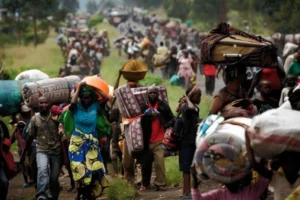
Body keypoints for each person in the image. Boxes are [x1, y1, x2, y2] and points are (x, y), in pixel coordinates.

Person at [68, 82, 109, 200]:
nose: (86, 99)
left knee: (93, 169)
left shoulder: (95, 106)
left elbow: (106, 97)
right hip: (77, 142)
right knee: (78, 166)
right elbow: (72, 102)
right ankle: (80, 191)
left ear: (92, 97)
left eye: (88, 97)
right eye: (84, 97)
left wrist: (95, 87)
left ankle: (88, 194)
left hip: (92, 142)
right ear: (80, 97)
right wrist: (79, 88)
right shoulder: (75, 108)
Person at [139, 86, 174, 191]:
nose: (153, 94)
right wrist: (148, 115)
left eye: (154, 93)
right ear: (147, 95)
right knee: (146, 164)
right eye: (151, 93)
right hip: (146, 140)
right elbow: (138, 119)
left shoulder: (163, 106)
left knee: (159, 162)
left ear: (158, 94)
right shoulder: (143, 106)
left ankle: (160, 183)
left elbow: (172, 118)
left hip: (159, 139)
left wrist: (164, 122)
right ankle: (145, 184)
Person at [26, 96, 61, 200]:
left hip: (56, 151)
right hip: (41, 150)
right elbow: (30, 136)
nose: (43, 105)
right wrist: (26, 153)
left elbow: (62, 131)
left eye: (45, 102)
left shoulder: (55, 117)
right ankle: (41, 194)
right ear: (38, 105)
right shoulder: (34, 119)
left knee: (54, 178)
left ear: (49, 105)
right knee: (42, 170)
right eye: (41, 103)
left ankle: (54, 196)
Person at [178, 86, 201, 199]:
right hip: (186, 142)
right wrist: (187, 99)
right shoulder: (185, 106)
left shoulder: (194, 107)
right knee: (186, 169)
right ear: (191, 96)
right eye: (198, 95)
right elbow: (190, 108)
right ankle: (186, 194)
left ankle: (189, 193)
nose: (200, 98)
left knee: (193, 168)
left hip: (193, 142)